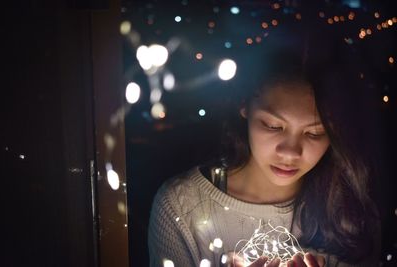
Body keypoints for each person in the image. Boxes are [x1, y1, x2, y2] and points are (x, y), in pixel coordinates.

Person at [148, 27, 381, 267]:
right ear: (244, 105)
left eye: (314, 133)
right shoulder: (183, 207)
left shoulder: (349, 211)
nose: (290, 152)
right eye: (273, 126)